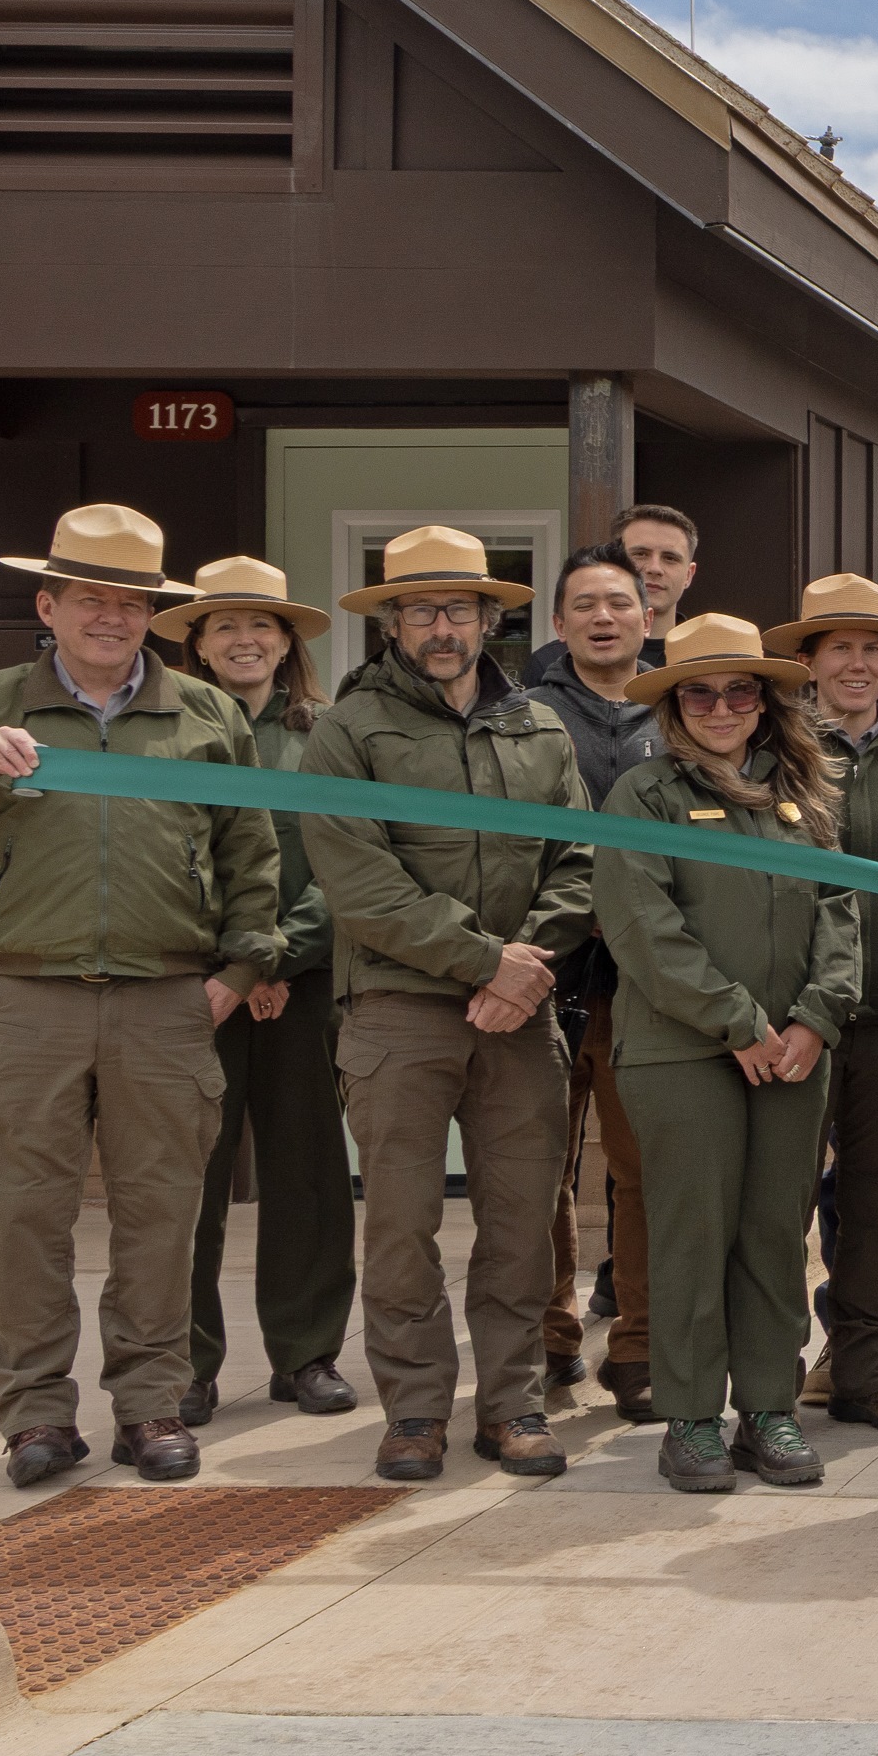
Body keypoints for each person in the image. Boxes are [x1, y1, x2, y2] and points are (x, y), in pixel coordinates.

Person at [0, 506, 281, 1488]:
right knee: (21, 1219)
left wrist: (236, 974)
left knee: (161, 1219)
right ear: (48, 606)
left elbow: (252, 856)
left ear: (152, 616)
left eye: (130, 602)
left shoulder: (206, 716)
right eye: (90, 597)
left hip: (167, 1001)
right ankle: (36, 1415)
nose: (110, 617)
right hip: (28, 1000)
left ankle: (152, 1405)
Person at [299, 525, 597, 1483]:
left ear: (486, 619)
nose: (441, 627)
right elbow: (360, 883)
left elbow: (581, 861)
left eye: (459, 609)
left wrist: (527, 966)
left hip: (522, 1013)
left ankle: (512, 1404)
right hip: (397, 1009)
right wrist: (484, 962)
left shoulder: (538, 729)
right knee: (401, 1224)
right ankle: (416, 1410)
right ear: (392, 621)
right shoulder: (349, 731)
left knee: (520, 1221)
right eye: (421, 609)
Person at [594, 617, 862, 1493]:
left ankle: (770, 1409)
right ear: (674, 705)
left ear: (765, 700)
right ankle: (691, 1418)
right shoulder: (643, 795)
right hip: (682, 1050)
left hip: (794, 1052)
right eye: (699, 693)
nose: (720, 707)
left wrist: (817, 1017)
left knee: (776, 1233)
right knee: (692, 1232)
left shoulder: (803, 792)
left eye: (739, 690)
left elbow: (840, 910)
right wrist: (738, 1023)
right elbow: (643, 926)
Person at [154, 557, 353, 1421]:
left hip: (302, 985)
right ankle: (185, 1361)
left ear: (287, 641)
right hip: (192, 987)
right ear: (197, 643)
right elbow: (160, 860)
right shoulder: (162, 733)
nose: (244, 639)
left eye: (261, 625)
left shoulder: (328, 738)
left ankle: (307, 1354)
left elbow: (350, 862)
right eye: (225, 625)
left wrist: (272, 962)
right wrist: (230, 970)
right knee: (186, 1178)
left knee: (307, 1174)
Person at [774, 574, 878, 1436]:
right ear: (807, 661)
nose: (857, 663)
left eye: (872, 648)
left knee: (877, 1205)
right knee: (780, 1202)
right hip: (797, 1014)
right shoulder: (772, 753)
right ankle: (768, 1377)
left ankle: (867, 1371)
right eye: (838, 646)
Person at [524, 547, 660, 1411]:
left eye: (619, 603)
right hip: (544, 971)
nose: (603, 618)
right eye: (585, 605)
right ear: (558, 623)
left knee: (642, 1170)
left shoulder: (681, 710)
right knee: (538, 1167)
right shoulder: (522, 717)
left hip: (649, 982)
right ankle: (548, 1334)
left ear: (649, 616)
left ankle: (640, 1350)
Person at [612, 501, 700, 643]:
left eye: (670, 558)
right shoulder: (578, 653)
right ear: (613, 564)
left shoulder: (711, 655)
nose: (654, 568)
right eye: (640, 554)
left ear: (688, 575)